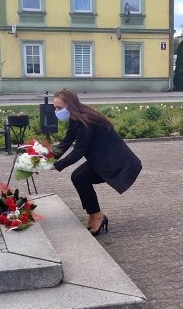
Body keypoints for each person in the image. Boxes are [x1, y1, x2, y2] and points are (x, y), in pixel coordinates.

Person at [50, 88, 142, 236]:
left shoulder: (85, 121)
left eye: (59, 107)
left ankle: (97, 215)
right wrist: (46, 158)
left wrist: (55, 165)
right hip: (103, 158)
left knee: (80, 178)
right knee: (78, 177)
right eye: (55, 107)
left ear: (70, 105)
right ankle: (94, 214)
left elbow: (78, 151)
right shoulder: (76, 119)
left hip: (115, 161)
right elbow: (66, 141)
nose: (56, 111)